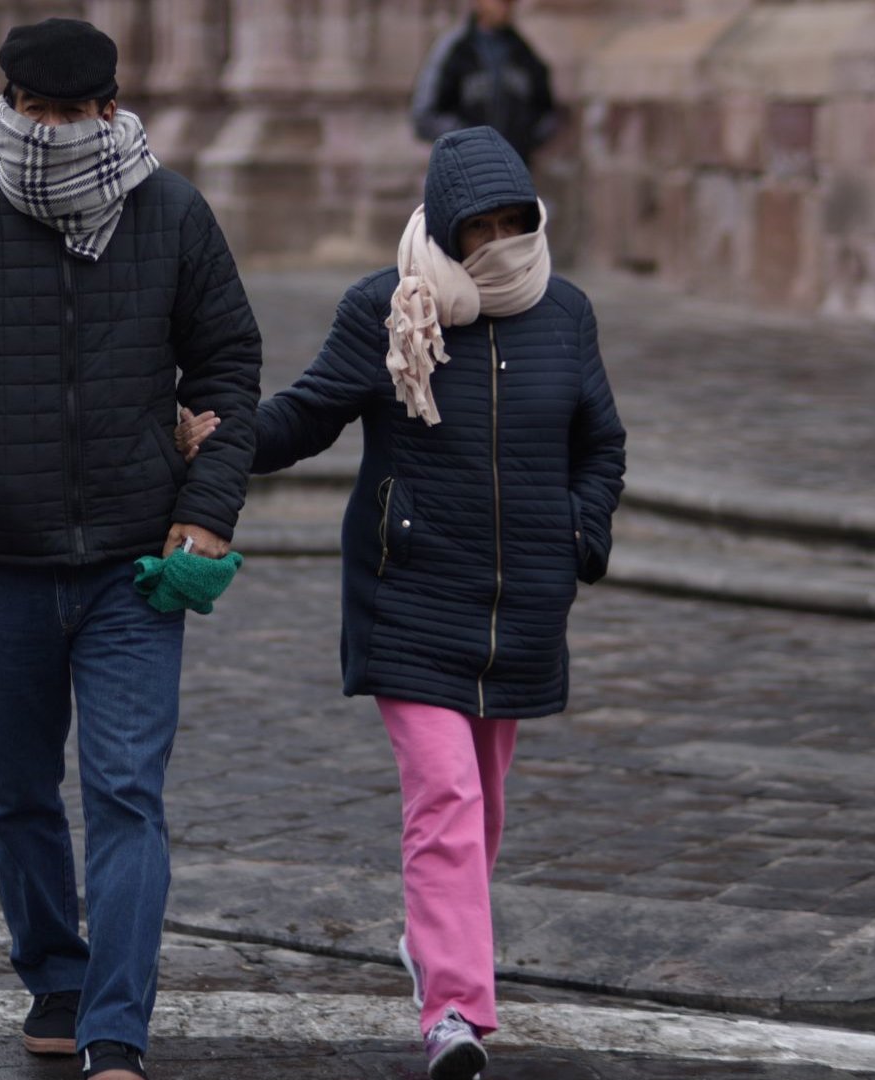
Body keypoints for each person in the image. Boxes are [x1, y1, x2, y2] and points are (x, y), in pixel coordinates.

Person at [0, 18, 261, 1080]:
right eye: (35, 112)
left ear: (109, 107)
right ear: (10, 106)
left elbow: (228, 370)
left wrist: (207, 507)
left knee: (127, 792)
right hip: (0, 560)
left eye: (73, 114)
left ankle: (116, 1027)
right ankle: (58, 976)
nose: (54, 132)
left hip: (137, 566)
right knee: (20, 790)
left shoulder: (172, 213)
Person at [176, 127, 625, 1080]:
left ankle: (433, 945)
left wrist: (579, 534)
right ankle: (454, 1012)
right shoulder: (389, 308)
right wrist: (222, 440)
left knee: (484, 807)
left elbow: (602, 442)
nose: (501, 241)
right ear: (449, 227)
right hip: (410, 595)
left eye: (517, 221)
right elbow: (310, 413)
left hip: (524, 609)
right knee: (447, 798)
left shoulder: (566, 314)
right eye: (482, 226)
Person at [411, 0, 559, 164]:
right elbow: (425, 116)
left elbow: (547, 113)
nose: (505, 6)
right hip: (465, 173)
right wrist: (469, 141)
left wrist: (523, 141)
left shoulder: (524, 54)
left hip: (512, 175)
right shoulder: (453, 50)